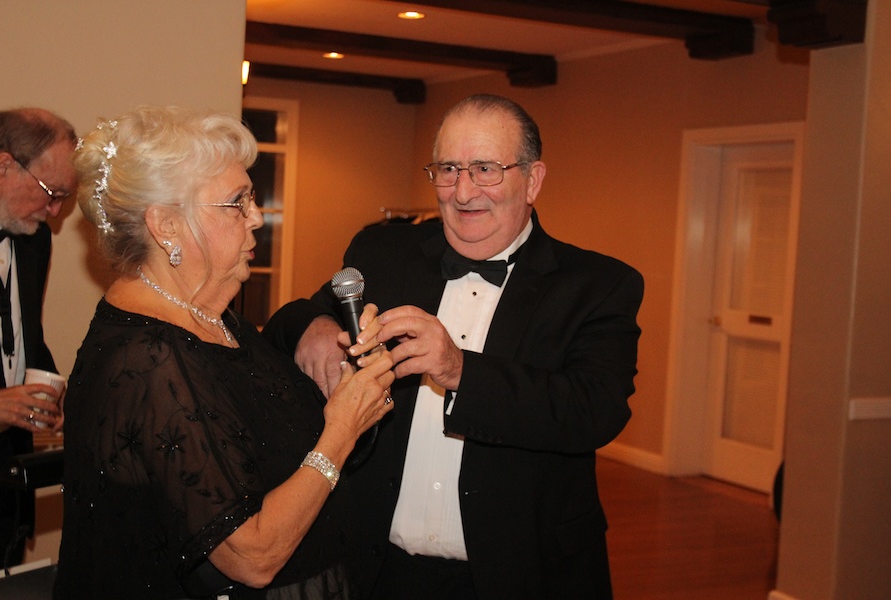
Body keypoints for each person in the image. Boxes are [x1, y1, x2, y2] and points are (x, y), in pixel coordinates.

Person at [263, 94, 644, 600]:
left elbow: (594, 411)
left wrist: (460, 369)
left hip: (521, 574)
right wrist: (313, 326)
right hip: (374, 568)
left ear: (532, 180)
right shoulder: (382, 251)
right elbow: (295, 317)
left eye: (485, 169)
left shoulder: (599, 284)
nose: (463, 192)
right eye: (448, 169)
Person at [54, 106, 395, 599]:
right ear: (166, 225)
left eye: (251, 197)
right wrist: (341, 430)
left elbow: (279, 453)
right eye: (237, 202)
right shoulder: (146, 358)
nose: (257, 217)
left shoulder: (216, 318)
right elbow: (251, 556)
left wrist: (351, 395)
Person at [0, 108, 75, 572]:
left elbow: (24, 338)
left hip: (8, 487)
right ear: (3, 168)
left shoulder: (33, 239)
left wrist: (52, 394)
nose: (55, 212)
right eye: (51, 193)